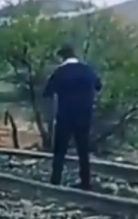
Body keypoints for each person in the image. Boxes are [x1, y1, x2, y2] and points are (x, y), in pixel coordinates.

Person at [43, 44, 102, 190]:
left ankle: (55, 180)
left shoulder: (60, 72)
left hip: (65, 116)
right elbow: (98, 85)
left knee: (60, 151)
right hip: (84, 116)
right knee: (83, 151)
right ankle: (85, 182)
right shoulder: (87, 70)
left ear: (62, 57)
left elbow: (47, 92)